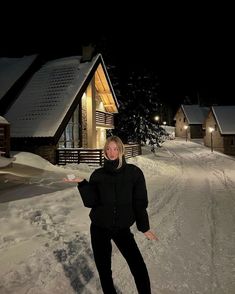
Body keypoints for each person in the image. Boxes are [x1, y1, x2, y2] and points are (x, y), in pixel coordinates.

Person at [64, 136, 158, 294]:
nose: (111, 152)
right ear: (104, 151)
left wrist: (144, 227)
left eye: (115, 148)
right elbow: (91, 202)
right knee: (104, 269)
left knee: (138, 266)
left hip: (122, 229)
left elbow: (139, 202)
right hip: (99, 228)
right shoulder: (98, 175)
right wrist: (82, 183)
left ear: (121, 150)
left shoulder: (133, 173)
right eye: (108, 148)